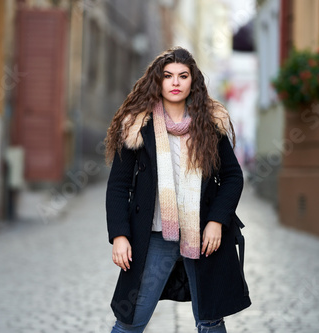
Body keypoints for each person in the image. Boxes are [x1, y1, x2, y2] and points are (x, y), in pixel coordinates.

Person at [104, 47, 251, 333]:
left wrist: (216, 221)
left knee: (210, 321)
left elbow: (233, 176)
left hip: (205, 239)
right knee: (129, 322)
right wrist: (120, 235)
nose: (175, 82)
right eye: (168, 76)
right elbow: (118, 187)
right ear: (157, 81)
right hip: (155, 237)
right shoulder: (137, 125)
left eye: (183, 76)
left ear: (192, 81)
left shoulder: (210, 124)